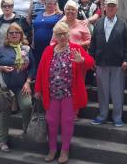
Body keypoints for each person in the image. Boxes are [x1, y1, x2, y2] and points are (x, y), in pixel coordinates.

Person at [35, 22, 94, 163]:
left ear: (69, 35)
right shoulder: (48, 50)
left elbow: (90, 63)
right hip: (52, 93)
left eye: (64, 34)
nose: (62, 37)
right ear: (55, 36)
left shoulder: (76, 48)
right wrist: (37, 89)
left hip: (69, 93)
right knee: (52, 121)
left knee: (67, 122)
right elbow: (41, 70)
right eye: (59, 34)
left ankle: (65, 151)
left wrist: (82, 60)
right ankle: (52, 149)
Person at [89, 0, 127, 126]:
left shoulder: (123, 23)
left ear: (116, 8)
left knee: (117, 91)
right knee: (102, 92)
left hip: (118, 64)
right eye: (108, 5)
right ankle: (102, 115)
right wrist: (92, 59)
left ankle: (117, 117)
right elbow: (93, 44)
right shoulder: (98, 23)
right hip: (101, 63)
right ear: (104, 7)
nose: (110, 8)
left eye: (113, 6)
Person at [0, 23, 36, 153]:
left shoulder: (26, 49)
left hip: (22, 85)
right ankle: (2, 141)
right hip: (5, 86)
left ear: (21, 35)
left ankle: (26, 131)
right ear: (7, 35)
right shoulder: (1, 49)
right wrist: (1, 68)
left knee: (27, 106)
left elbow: (33, 67)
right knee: (5, 113)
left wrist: (28, 82)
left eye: (17, 32)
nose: (14, 34)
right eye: (11, 33)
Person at [32, 0, 63, 68]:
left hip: (51, 45)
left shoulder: (59, 15)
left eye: (52, 4)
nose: (50, 5)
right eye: (48, 4)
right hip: (37, 45)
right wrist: (33, 41)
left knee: (49, 65)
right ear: (45, 4)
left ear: (55, 5)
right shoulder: (39, 14)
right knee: (38, 64)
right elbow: (34, 28)